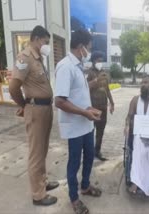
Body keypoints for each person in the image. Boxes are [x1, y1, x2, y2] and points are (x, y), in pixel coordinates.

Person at [9, 25, 59, 206]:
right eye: (46, 42)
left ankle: (42, 182)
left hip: (44, 109)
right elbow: (13, 88)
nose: (47, 46)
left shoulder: (38, 59)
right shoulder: (25, 58)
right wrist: (24, 105)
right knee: (36, 153)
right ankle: (38, 195)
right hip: (36, 110)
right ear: (37, 39)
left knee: (43, 149)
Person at [54, 29, 102, 214]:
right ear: (81, 47)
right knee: (74, 162)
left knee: (89, 157)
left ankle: (85, 186)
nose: (89, 52)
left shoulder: (78, 66)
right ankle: (74, 198)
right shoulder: (65, 66)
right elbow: (59, 101)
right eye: (88, 48)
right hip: (75, 126)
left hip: (86, 123)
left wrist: (91, 86)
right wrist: (84, 112)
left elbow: (77, 92)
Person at [87, 51, 115, 161]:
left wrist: (112, 103)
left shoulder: (104, 73)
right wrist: (96, 80)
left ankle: (97, 151)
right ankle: (89, 152)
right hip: (93, 107)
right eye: (99, 60)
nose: (100, 62)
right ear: (93, 61)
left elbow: (107, 89)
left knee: (101, 131)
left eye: (101, 60)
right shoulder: (89, 73)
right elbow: (85, 89)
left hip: (103, 107)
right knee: (90, 130)